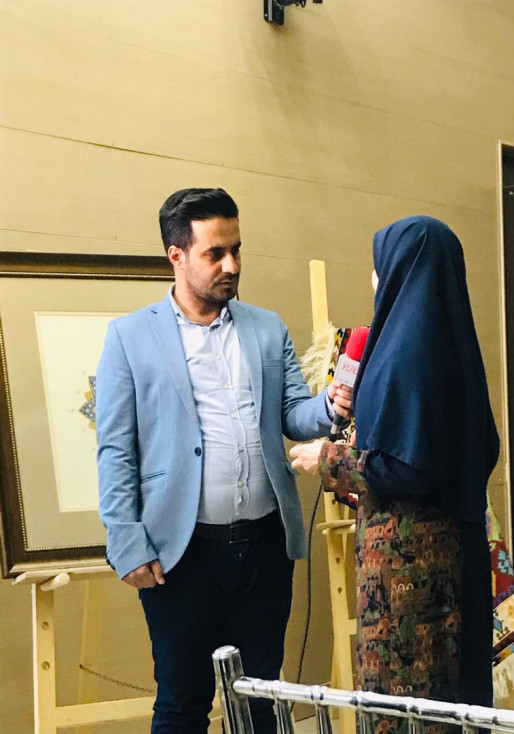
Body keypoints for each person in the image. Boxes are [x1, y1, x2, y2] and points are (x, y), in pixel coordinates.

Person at [96, 187, 352, 734]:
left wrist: (329, 405)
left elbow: (293, 414)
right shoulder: (129, 337)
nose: (232, 265)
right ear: (176, 255)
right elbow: (115, 450)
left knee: (263, 699)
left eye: (236, 249)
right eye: (215, 253)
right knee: (182, 704)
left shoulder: (267, 327)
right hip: (179, 556)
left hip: (264, 547)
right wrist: (127, 542)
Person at [290, 216, 500, 719]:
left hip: (412, 573)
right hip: (456, 551)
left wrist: (327, 458)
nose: (373, 278)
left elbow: (408, 467)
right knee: (455, 702)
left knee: (411, 710)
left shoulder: (408, 353)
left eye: (378, 266)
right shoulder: (450, 341)